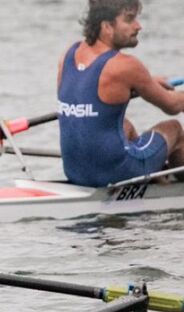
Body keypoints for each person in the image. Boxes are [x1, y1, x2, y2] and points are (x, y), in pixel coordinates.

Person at [57, 0, 184, 187]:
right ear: (107, 26)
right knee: (174, 128)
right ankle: (175, 192)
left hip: (75, 171)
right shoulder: (126, 66)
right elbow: (173, 106)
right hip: (115, 173)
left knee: (125, 126)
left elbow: (92, 90)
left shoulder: (69, 53)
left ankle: (155, 174)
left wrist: (145, 83)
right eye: (129, 19)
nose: (138, 26)